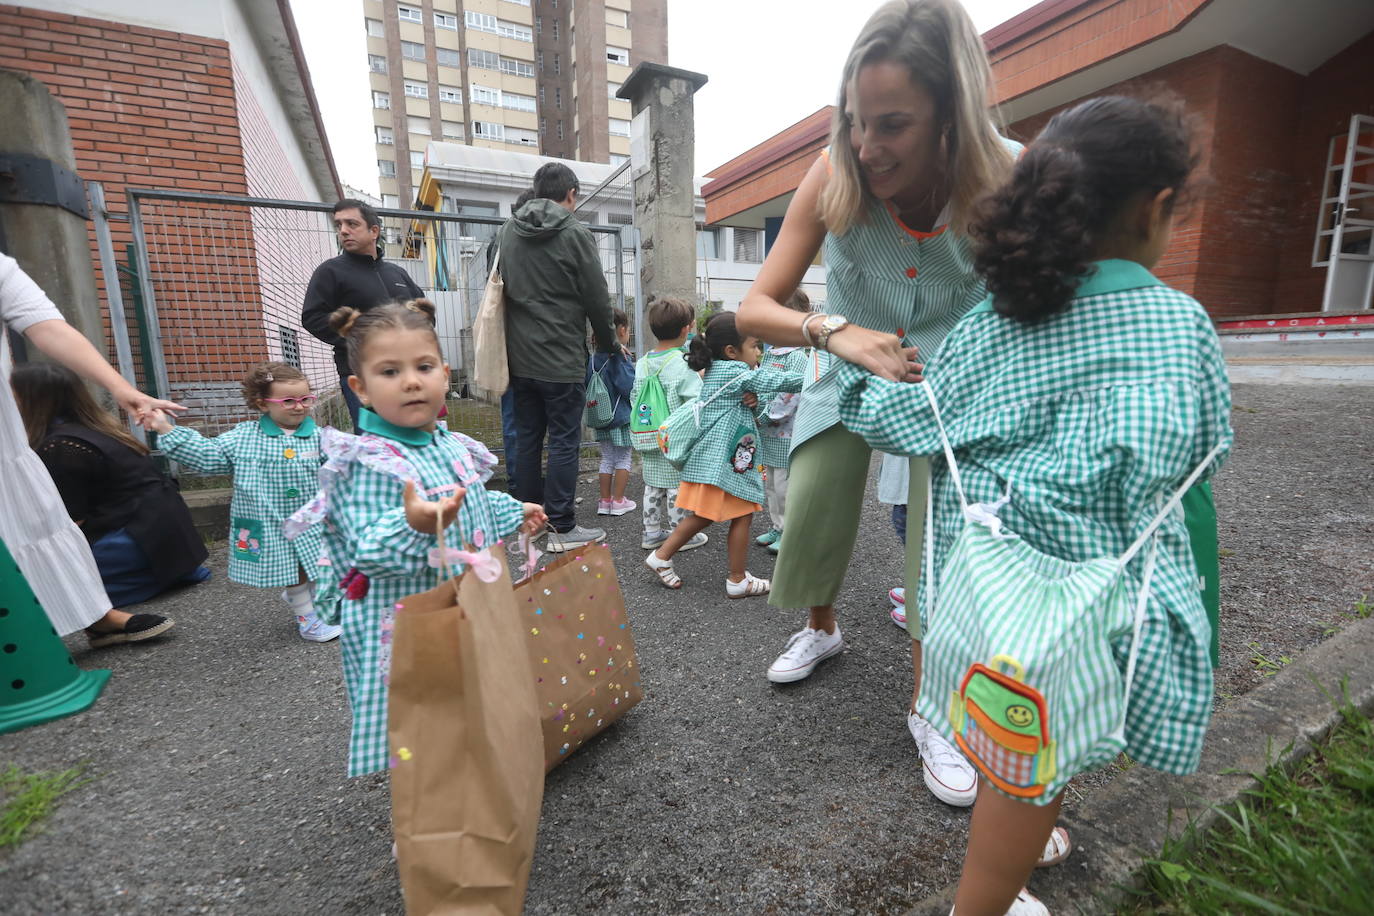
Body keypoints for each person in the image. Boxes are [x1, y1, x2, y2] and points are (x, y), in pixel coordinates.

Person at [838, 95, 1230, 916]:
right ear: (1159, 210)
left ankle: (1017, 832)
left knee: (1008, 723)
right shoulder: (1174, 325)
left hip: (984, 590)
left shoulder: (988, 326)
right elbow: (1194, 467)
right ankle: (982, 901)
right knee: (1041, 746)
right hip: (1092, 599)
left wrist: (844, 370)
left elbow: (911, 419)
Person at [735, 0, 1019, 807]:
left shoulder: (1009, 180)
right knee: (817, 496)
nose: (867, 145)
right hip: (845, 361)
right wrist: (835, 331)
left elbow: (1048, 302)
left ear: (951, 118)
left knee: (942, 538)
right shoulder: (835, 171)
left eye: (892, 123)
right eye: (857, 120)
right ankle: (822, 629)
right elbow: (755, 309)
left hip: (954, 381)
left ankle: (933, 708)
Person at [285, 299, 547, 777]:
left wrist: (515, 509)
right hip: (404, 618)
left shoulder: (446, 442)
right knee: (421, 713)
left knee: (464, 691)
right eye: (390, 371)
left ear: (445, 375)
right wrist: (414, 524)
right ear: (360, 388)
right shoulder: (366, 460)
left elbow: (474, 500)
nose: (410, 381)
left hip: (459, 601)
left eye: (423, 366)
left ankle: (471, 768)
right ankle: (433, 807)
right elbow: (366, 548)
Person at [0, 252, 183, 646]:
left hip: (141, 542)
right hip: (164, 546)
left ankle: (92, 613)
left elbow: (47, 326)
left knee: (36, 517)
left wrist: (123, 389)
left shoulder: (63, 445)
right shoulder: (87, 432)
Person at [12, 363, 207, 643]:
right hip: (175, 551)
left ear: (27, 398)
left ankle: (100, 617)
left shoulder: (59, 445)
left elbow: (68, 522)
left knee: (30, 582)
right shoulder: (99, 429)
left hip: (135, 548)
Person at [147, 362, 339, 642]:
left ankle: (305, 597)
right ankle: (308, 620)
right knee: (295, 566)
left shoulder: (320, 436)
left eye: (305, 399)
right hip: (271, 521)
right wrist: (166, 429)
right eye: (288, 401)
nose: (299, 407)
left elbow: (339, 469)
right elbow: (208, 456)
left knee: (319, 563)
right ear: (262, 404)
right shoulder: (244, 437)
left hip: (312, 519)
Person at [493, 161, 617, 552]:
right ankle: (562, 527)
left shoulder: (507, 231)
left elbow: (498, 288)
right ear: (571, 194)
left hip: (518, 357)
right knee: (563, 440)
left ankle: (531, 526)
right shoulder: (575, 232)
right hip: (560, 356)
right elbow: (597, 297)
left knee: (527, 439)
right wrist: (609, 342)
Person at [644, 312, 802, 597]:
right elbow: (775, 381)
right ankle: (737, 579)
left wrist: (753, 403)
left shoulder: (722, 370)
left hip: (716, 463)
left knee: (706, 516)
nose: (759, 353)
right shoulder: (736, 372)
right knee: (740, 516)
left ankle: (662, 557)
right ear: (732, 351)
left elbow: (751, 406)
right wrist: (815, 375)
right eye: (755, 346)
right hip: (722, 464)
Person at [302, 199, 423, 431]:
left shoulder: (397, 273)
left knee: (414, 437)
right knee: (375, 443)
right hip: (362, 376)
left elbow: (423, 315)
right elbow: (313, 317)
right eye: (339, 225)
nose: (343, 230)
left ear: (373, 231)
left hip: (407, 373)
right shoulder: (331, 272)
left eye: (351, 224)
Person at [632, 296, 708, 553]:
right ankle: (681, 534)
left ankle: (651, 532)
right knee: (678, 487)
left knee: (652, 485)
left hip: (648, 433)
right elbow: (697, 402)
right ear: (687, 328)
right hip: (675, 439)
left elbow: (635, 396)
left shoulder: (642, 363)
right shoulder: (682, 363)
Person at [753, 289, 815, 555]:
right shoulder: (771, 354)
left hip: (786, 433)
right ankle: (777, 526)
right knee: (770, 484)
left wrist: (767, 414)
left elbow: (790, 396)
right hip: (767, 432)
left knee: (784, 486)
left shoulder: (797, 357)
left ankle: (790, 531)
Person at [589, 308, 638, 516]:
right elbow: (628, 387)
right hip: (620, 418)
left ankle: (604, 501)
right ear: (622, 330)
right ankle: (618, 502)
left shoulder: (592, 359)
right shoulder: (620, 357)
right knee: (624, 459)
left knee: (607, 458)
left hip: (601, 417)